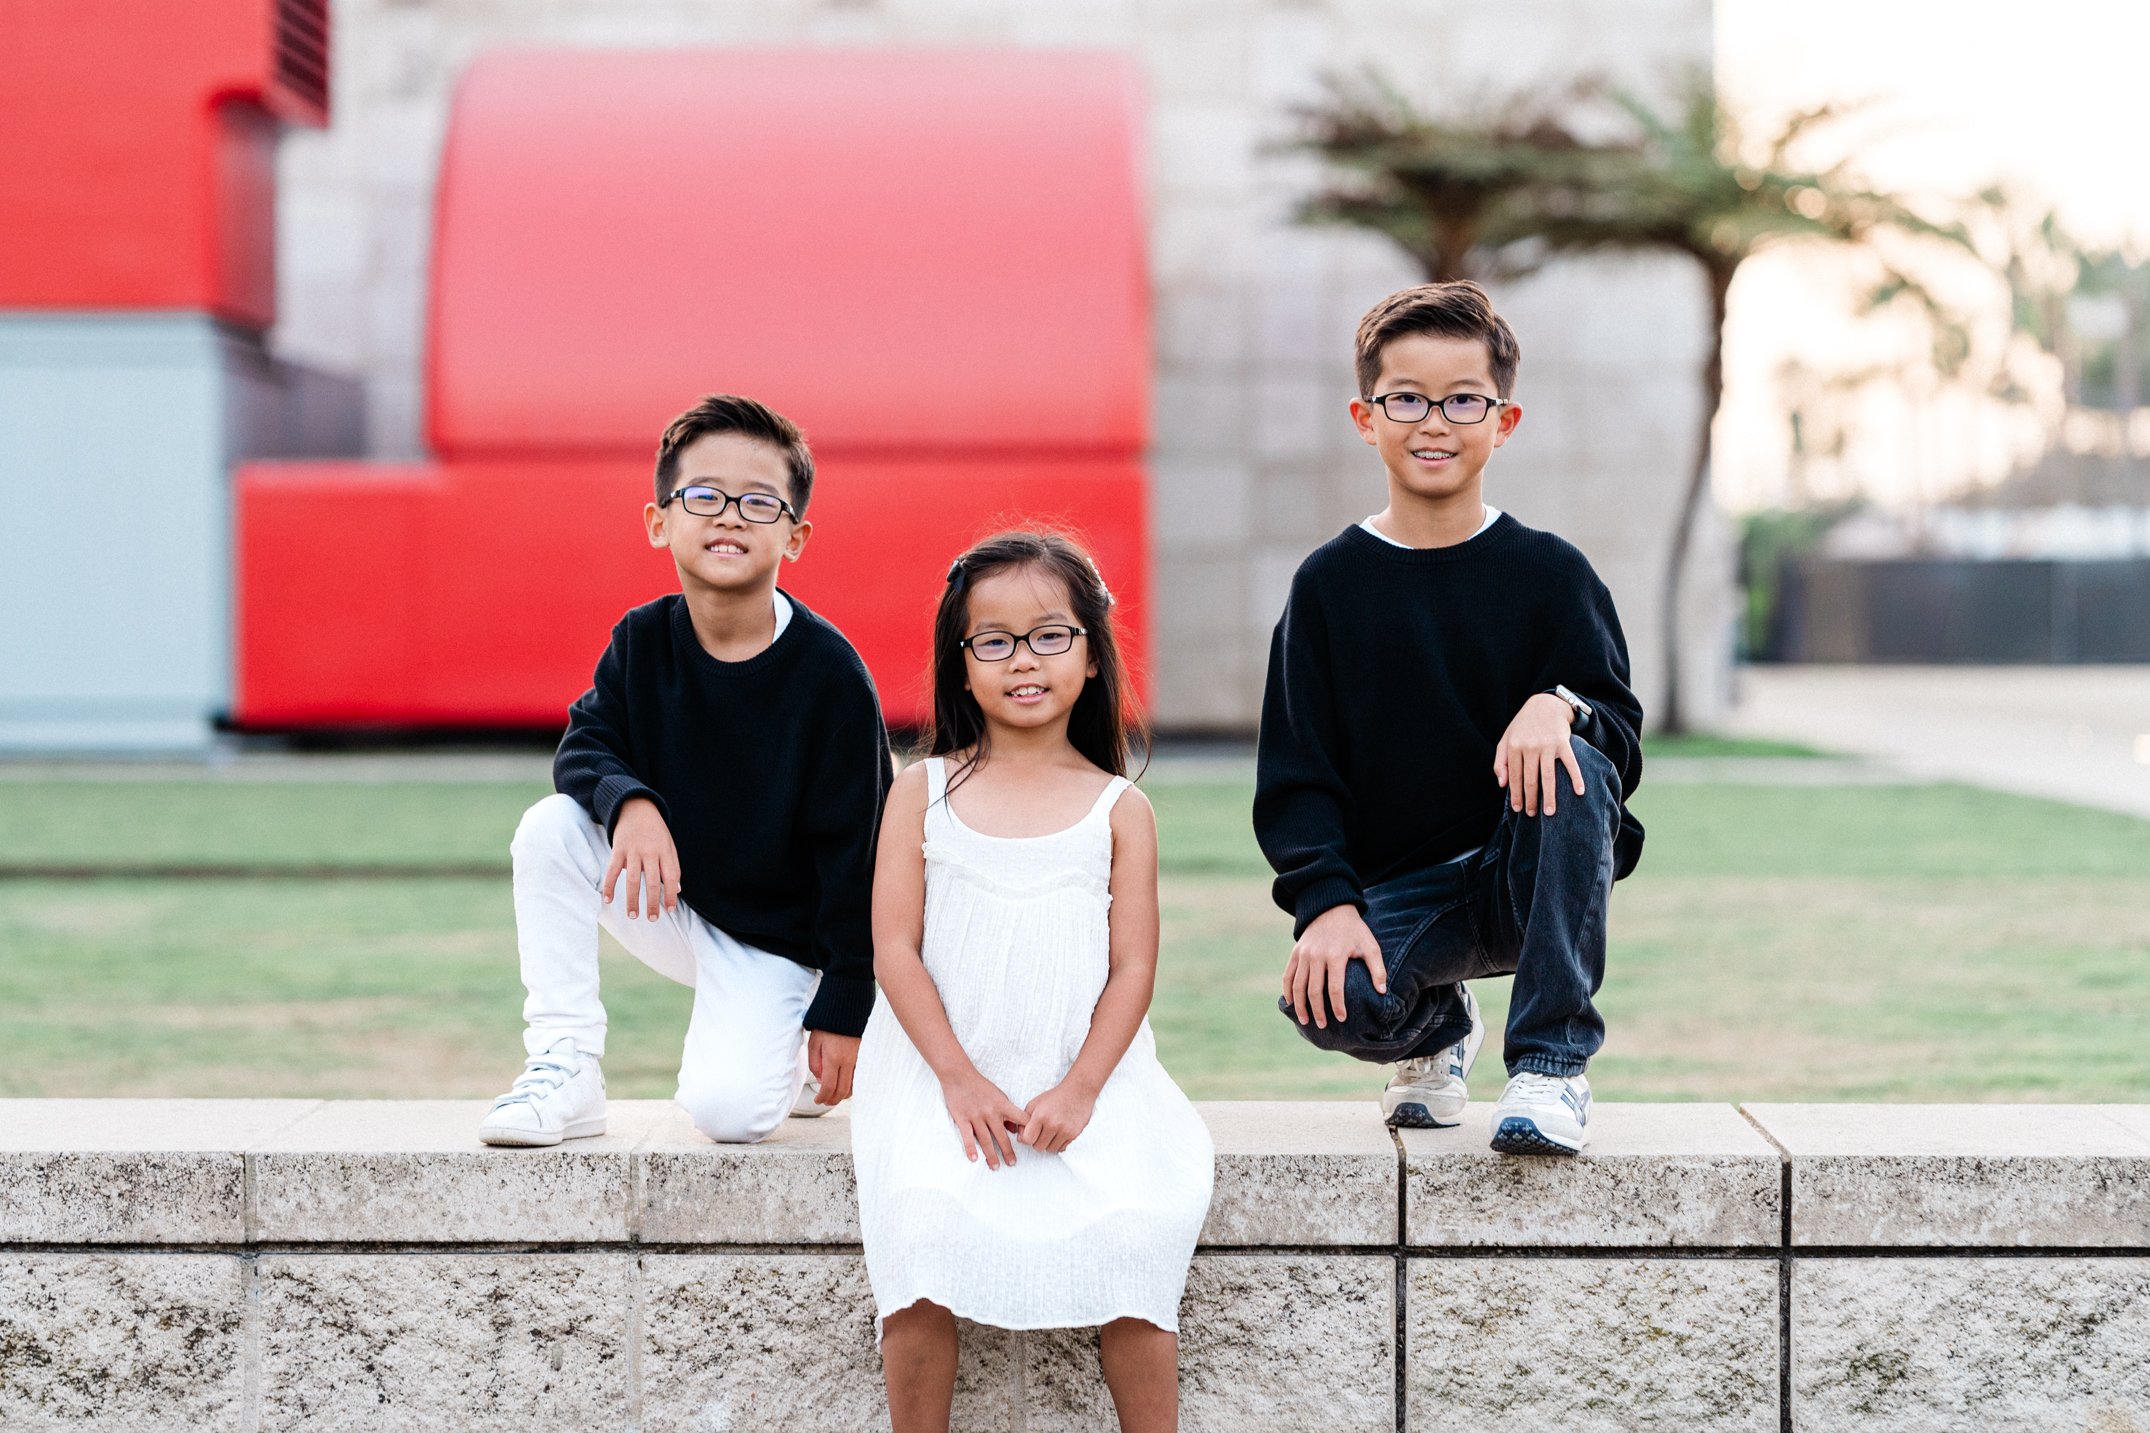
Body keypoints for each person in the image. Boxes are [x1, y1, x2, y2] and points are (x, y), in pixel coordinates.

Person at [1254, 281, 1645, 1156]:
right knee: (1331, 996)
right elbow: (1297, 777)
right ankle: (1437, 1028)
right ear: (1366, 417)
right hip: (1410, 890)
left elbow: (1618, 735)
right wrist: (1327, 906)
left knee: (1577, 760)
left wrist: (1559, 704)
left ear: (1504, 422)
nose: (1435, 422)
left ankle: (1549, 1064)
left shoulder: (1552, 573)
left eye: (1464, 400)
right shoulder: (1328, 587)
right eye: (1407, 399)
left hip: (1529, 872)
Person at [852, 532, 1213, 1433]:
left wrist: (1081, 1087)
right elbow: (894, 947)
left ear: (1091, 655)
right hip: (940, 1077)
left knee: (1134, 1238)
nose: (1023, 659)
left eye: (1050, 636)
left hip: (1085, 1078)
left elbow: (1133, 968)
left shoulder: (1121, 808)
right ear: (961, 664)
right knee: (921, 1235)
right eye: (995, 640)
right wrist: (958, 1078)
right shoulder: (921, 791)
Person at [477, 394, 890, 1147]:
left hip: (781, 943)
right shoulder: (642, 640)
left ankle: (792, 1047)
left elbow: (857, 858)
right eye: (704, 496)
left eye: (758, 502)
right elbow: (584, 745)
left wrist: (844, 1003)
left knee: (728, 1114)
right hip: (674, 899)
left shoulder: (831, 677)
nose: (730, 516)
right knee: (552, 828)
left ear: (795, 536)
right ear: (659, 521)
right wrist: (631, 804)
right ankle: (567, 1065)